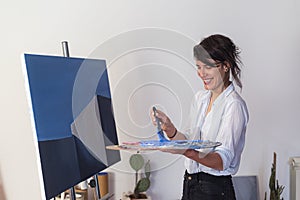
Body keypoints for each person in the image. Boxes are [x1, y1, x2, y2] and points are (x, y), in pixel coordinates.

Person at [151, 34, 249, 200]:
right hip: (190, 184)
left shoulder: (234, 105)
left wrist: (186, 151)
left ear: (225, 66)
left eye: (208, 67)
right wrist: (171, 130)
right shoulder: (200, 99)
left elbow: (221, 161)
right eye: (198, 67)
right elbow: (190, 140)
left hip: (215, 190)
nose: (201, 73)